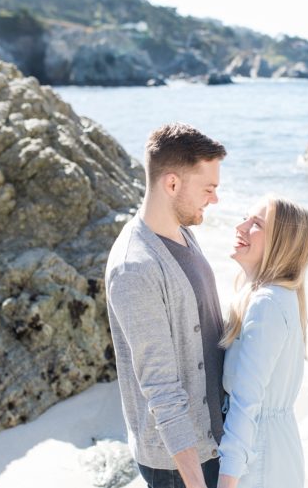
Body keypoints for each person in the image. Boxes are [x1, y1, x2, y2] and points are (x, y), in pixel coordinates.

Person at [105, 123, 227, 488]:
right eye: (209, 189)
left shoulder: (183, 232)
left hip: (212, 443)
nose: (215, 200)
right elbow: (161, 389)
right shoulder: (135, 268)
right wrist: (194, 481)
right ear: (172, 184)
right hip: (180, 466)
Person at [217, 197, 308, 488]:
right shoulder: (277, 298)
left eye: (256, 224)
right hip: (272, 449)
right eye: (245, 217)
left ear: (280, 244)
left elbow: (246, 404)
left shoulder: (266, 304)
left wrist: (226, 481)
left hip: (259, 460)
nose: (241, 226)